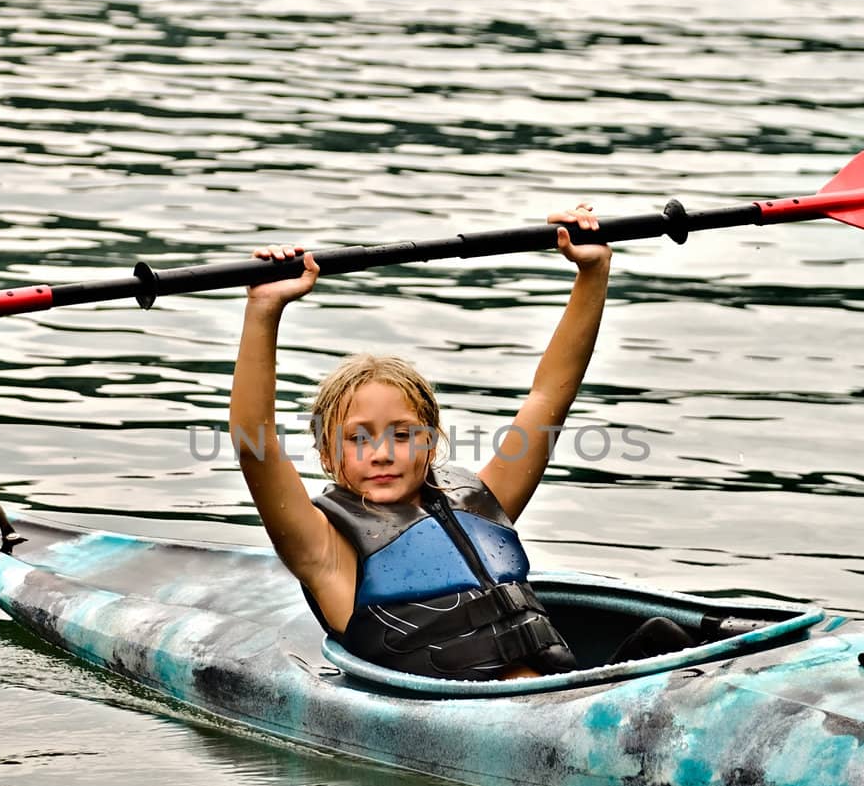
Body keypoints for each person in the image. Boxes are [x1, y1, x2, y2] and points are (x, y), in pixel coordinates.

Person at [229, 204, 692, 681]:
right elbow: (254, 445)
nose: (382, 452)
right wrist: (264, 312)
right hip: (492, 718)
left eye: (403, 434)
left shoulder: (482, 503)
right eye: (357, 438)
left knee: (665, 636)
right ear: (326, 454)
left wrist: (592, 272)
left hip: (560, 696)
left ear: (431, 445)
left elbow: (549, 395)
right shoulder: (325, 550)